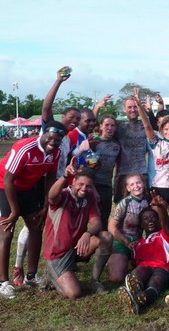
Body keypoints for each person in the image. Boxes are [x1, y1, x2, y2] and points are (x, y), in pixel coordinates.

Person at [0, 121, 67, 298]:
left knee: (36, 227)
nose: (53, 143)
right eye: (51, 139)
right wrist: (14, 211)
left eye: (58, 140)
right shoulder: (25, 147)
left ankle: (31, 275)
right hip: (5, 187)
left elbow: (50, 178)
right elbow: (8, 180)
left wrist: (46, 205)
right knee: (6, 232)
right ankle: (4, 282)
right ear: (43, 133)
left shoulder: (56, 152)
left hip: (27, 189)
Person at [43, 159, 113, 298]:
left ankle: (95, 281)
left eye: (88, 186)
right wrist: (64, 176)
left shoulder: (89, 198)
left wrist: (87, 233)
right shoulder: (62, 196)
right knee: (74, 293)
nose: (84, 188)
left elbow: (97, 223)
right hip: (57, 254)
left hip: (76, 248)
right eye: (81, 184)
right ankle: (52, 277)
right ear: (73, 181)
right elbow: (51, 196)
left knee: (106, 237)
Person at [117, 191, 169, 314]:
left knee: (156, 281)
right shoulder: (137, 244)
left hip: (162, 268)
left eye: (153, 217)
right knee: (138, 271)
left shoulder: (163, 235)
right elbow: (135, 263)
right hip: (144, 268)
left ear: (158, 220)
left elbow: (167, 225)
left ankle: (142, 299)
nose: (150, 220)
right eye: (146, 218)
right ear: (141, 225)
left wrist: (161, 209)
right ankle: (136, 293)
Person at [107, 174, 149, 283]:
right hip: (121, 242)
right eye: (132, 184)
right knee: (116, 278)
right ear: (128, 188)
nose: (136, 186)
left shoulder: (148, 202)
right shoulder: (124, 203)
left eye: (138, 182)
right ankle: (113, 258)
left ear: (143, 184)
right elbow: (111, 227)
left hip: (138, 242)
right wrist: (126, 242)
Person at [113, 90, 149, 204]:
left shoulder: (146, 127)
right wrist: (98, 107)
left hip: (141, 173)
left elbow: (155, 121)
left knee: (144, 207)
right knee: (120, 207)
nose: (133, 110)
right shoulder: (118, 127)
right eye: (129, 107)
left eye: (135, 107)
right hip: (123, 174)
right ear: (124, 109)